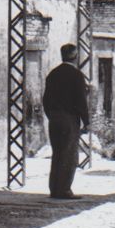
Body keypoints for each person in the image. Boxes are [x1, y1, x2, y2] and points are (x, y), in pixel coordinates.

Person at [42, 44, 90, 199]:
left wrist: (51, 115)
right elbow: (81, 101)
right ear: (75, 57)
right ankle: (64, 189)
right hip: (69, 119)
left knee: (57, 153)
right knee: (69, 155)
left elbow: (46, 100)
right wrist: (86, 121)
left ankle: (54, 189)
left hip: (54, 118)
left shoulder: (53, 74)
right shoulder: (77, 75)